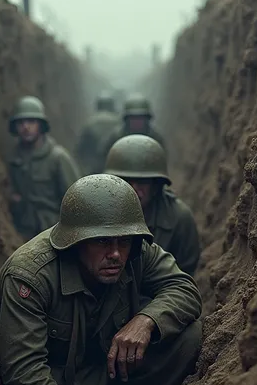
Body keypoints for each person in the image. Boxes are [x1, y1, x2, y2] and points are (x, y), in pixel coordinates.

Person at [0, 174, 202, 385]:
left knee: (189, 335)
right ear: (76, 241)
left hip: (108, 372)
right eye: (101, 242)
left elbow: (184, 288)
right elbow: (23, 368)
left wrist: (147, 320)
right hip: (60, 384)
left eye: (122, 242)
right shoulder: (30, 276)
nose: (115, 254)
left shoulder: (136, 250)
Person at [105, 135, 200, 275]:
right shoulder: (97, 212)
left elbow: (183, 277)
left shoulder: (179, 218)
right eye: (125, 181)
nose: (133, 189)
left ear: (156, 185)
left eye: (142, 182)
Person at [7, 95, 80, 240]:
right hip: (23, 232)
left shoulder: (58, 157)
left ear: (41, 125)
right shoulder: (15, 159)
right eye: (21, 122)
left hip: (53, 233)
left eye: (31, 121)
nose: (25, 127)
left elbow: (76, 202)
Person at [101, 92, 166, 161]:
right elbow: (104, 159)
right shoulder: (115, 138)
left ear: (146, 119)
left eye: (140, 118)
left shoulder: (156, 139)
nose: (137, 122)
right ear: (127, 120)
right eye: (133, 118)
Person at [75, 91, 119, 175]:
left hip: (93, 169)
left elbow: (81, 149)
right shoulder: (118, 122)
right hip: (114, 168)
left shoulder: (90, 123)